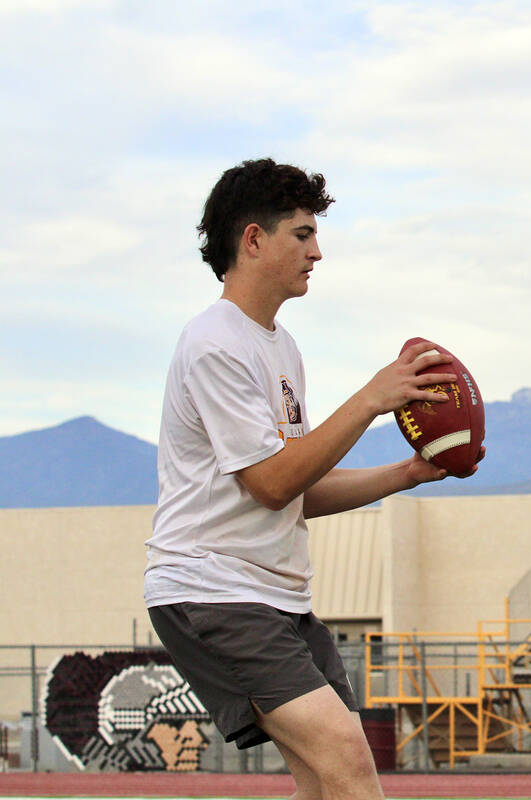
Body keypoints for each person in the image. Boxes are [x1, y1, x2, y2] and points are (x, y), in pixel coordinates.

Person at [145, 158, 481, 800]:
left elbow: (294, 491)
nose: (317, 252)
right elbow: (271, 483)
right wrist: (369, 399)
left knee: (325, 785)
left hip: (276, 595)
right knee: (348, 764)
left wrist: (405, 473)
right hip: (213, 587)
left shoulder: (280, 346)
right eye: (302, 234)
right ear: (252, 240)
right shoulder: (215, 343)